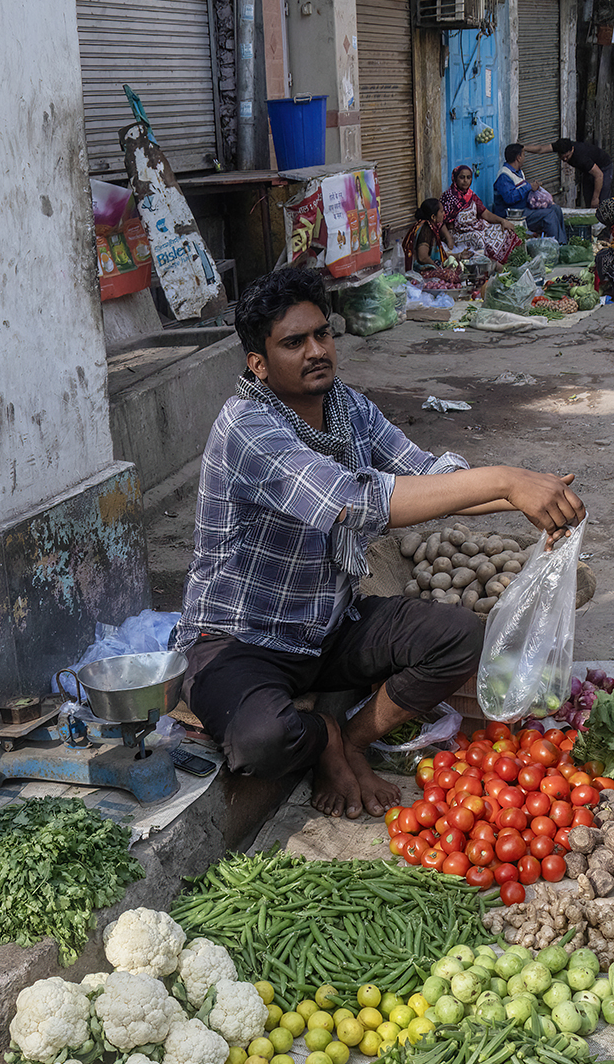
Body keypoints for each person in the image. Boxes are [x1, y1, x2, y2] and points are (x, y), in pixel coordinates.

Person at [171, 267, 585, 819]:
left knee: (459, 637)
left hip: (327, 627)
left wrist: (536, 494)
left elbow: (430, 477)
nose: (316, 351)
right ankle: (321, 736)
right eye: (293, 343)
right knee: (260, 743)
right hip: (240, 640)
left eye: (322, 334)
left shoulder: (349, 409)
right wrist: (505, 480)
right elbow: (348, 499)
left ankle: (352, 736)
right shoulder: (246, 427)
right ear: (259, 364)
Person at [440, 165, 523, 265]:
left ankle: (507, 261)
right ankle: (489, 265)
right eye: (462, 177)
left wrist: (502, 221)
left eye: (468, 177)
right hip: (458, 233)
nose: (465, 181)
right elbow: (440, 221)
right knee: (478, 237)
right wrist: (449, 239)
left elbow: (485, 214)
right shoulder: (448, 197)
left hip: (476, 227)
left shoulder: (471, 195)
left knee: (503, 230)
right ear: (455, 178)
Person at [492, 144, 568, 243]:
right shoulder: (504, 175)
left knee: (555, 209)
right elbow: (509, 198)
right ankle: (559, 245)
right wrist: (528, 187)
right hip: (512, 214)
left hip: (523, 209)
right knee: (548, 215)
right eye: (523, 155)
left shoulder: (518, 172)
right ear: (518, 158)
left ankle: (563, 241)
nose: (524, 158)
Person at [522, 138, 613, 208]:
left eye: (567, 156)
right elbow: (541, 149)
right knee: (589, 201)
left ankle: (604, 228)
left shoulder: (581, 157)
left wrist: (595, 198)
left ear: (572, 149)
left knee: (601, 202)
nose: (565, 159)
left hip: (603, 169)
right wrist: (523, 148)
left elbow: (599, 175)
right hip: (588, 171)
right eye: (562, 157)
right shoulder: (560, 146)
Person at [403, 199, 462, 290]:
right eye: (441, 211)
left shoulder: (431, 227)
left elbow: (440, 255)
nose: (444, 214)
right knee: (451, 275)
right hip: (420, 272)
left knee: (457, 268)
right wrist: (438, 268)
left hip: (428, 268)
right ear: (433, 217)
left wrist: (459, 255)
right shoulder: (426, 230)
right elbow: (423, 257)